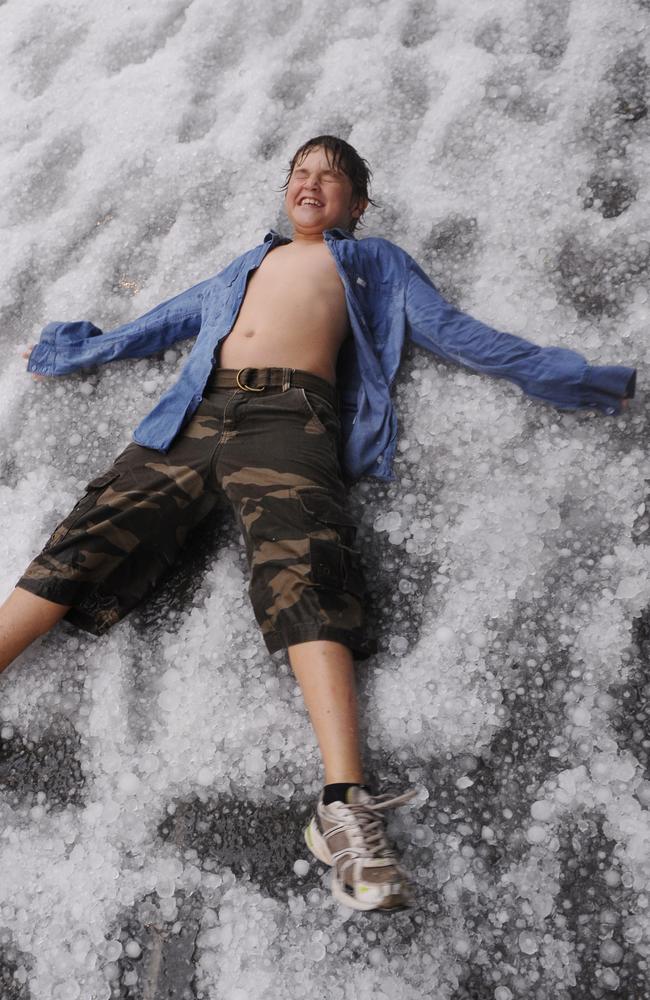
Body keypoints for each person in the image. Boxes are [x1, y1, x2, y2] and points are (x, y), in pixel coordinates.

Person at [4, 135, 636, 912]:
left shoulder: (377, 265)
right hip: (193, 415)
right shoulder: (247, 263)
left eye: (330, 178)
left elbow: (459, 333)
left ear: (357, 205)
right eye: (300, 173)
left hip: (289, 421)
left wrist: (566, 375)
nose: (310, 184)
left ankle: (342, 802)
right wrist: (80, 352)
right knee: (88, 538)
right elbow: (164, 323)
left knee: (307, 566)